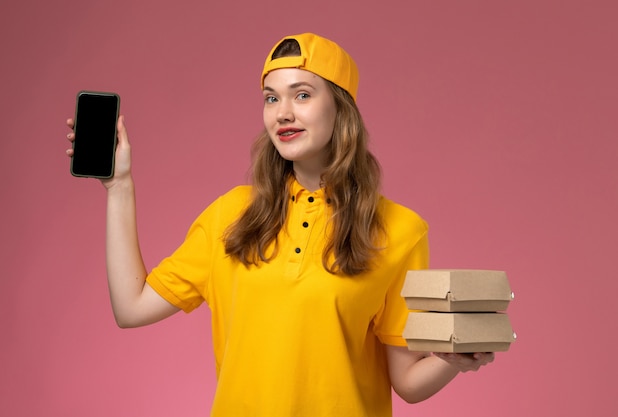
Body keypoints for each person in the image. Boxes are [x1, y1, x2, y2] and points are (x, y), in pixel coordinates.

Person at [65, 32, 494, 416]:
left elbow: (407, 383)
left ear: (341, 107)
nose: (282, 112)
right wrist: (118, 186)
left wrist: (451, 360)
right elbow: (131, 307)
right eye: (271, 98)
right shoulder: (230, 215)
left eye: (302, 95)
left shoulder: (401, 230)